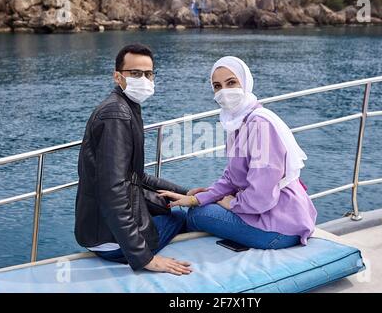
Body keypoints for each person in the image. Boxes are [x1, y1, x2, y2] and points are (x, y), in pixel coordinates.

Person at [160, 56, 317, 250]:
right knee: (198, 208)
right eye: (217, 86)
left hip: (281, 228)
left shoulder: (260, 124)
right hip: (269, 213)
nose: (224, 91)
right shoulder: (238, 122)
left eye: (231, 82)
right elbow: (232, 177)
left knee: (197, 215)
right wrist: (199, 198)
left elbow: (262, 194)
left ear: (245, 82)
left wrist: (232, 204)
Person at [75, 44, 192, 276]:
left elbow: (137, 176)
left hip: (99, 230)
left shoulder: (126, 107)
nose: (144, 80)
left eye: (149, 74)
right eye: (136, 74)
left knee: (178, 204)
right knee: (185, 215)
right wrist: (144, 258)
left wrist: (187, 192)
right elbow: (113, 191)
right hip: (111, 242)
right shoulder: (117, 116)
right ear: (118, 76)